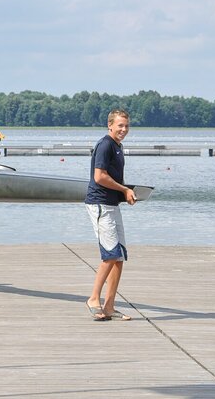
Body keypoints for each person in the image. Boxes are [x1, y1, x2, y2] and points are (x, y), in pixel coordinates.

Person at [85, 109, 137, 322]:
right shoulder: (105, 144)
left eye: (126, 126)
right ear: (110, 125)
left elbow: (111, 178)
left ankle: (109, 306)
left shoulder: (118, 146)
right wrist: (124, 189)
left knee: (119, 257)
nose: (123, 130)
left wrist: (127, 192)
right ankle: (93, 299)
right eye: (120, 126)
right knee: (110, 255)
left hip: (112, 204)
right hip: (100, 205)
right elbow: (99, 177)